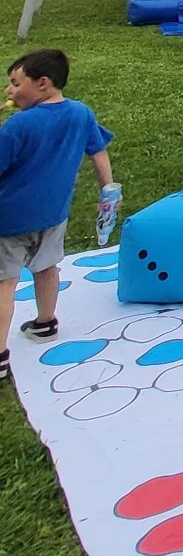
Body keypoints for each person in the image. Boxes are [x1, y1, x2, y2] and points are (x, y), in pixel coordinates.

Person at [0, 50, 113, 383]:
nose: (9, 91)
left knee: (5, 281)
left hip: (10, 219)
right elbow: (98, 150)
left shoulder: (19, 125)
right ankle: (45, 322)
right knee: (46, 266)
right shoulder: (80, 113)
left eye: (15, 83)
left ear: (42, 84)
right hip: (54, 213)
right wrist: (108, 190)